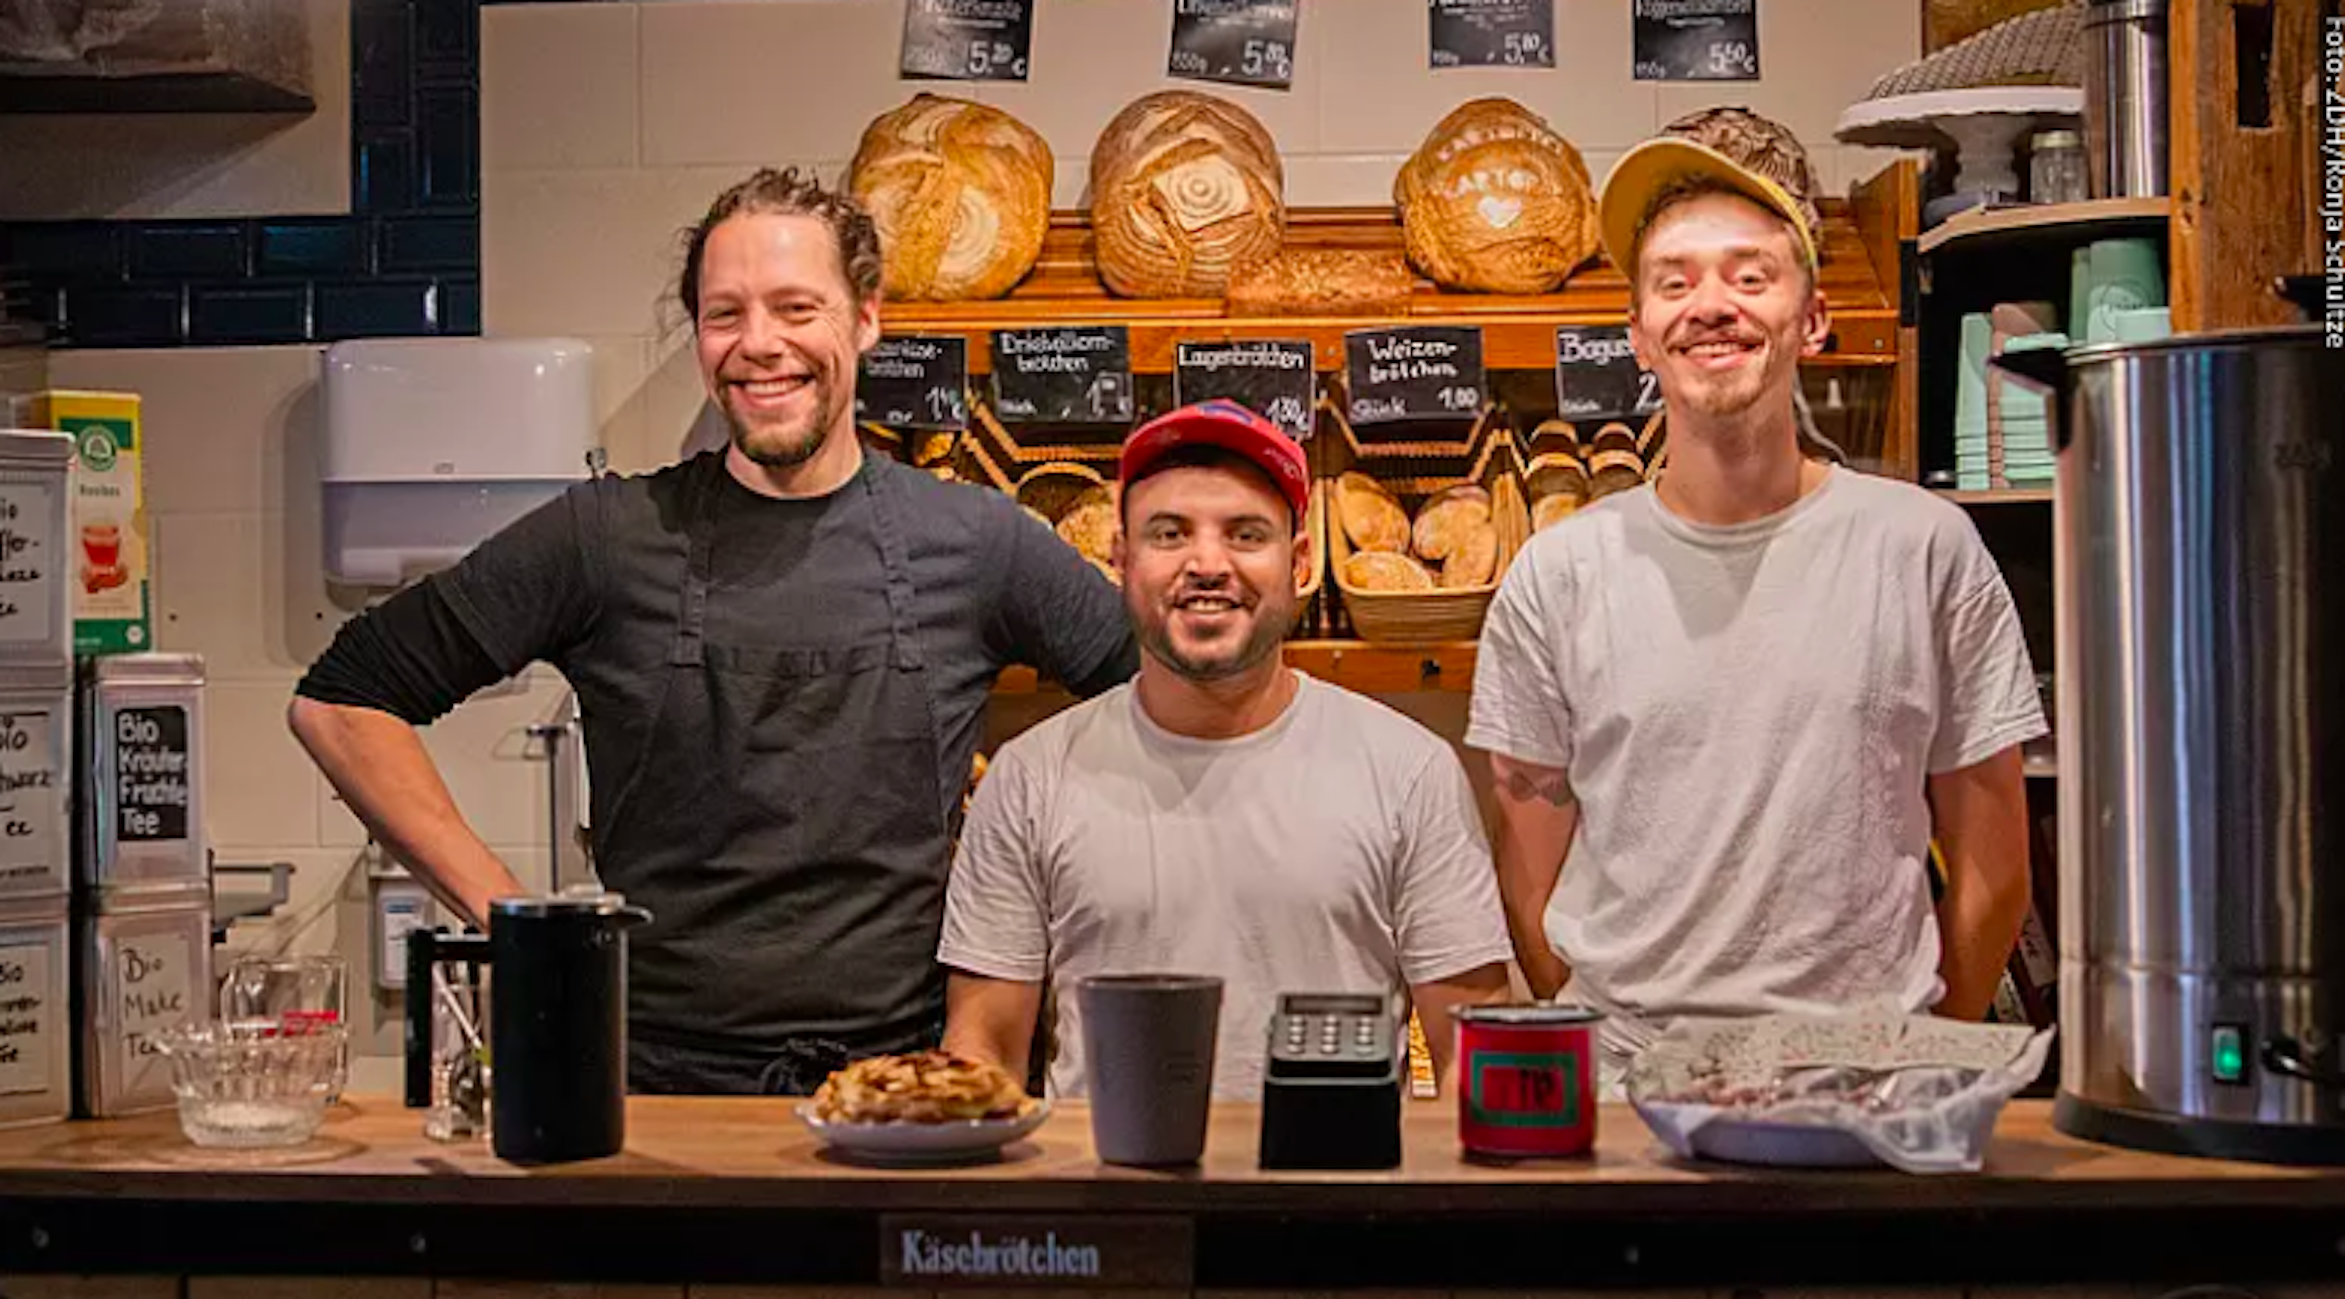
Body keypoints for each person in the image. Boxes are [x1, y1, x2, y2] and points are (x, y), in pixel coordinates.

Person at [289, 168, 1138, 1095]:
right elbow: (341, 700)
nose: (759, 344)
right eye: (724, 314)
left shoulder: (973, 541)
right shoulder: (606, 537)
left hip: (899, 1094)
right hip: (653, 1094)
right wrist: (520, 920)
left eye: (795, 308)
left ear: (865, 318)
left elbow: (1160, 697)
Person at [1466, 137, 2046, 1092]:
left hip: (1869, 1098)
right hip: (1633, 1100)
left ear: (1810, 318)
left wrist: (1911, 1052)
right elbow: (1528, 863)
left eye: (1750, 275)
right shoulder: (1558, 574)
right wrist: (1623, 1044)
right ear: (1640, 332)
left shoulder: (1922, 549)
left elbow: (1993, 862)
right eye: (1673, 283)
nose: (1710, 305)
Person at [939, 400, 1514, 1099]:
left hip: (1341, 1195)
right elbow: (982, 1059)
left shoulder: (1408, 771)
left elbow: (1474, 1063)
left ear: (1298, 563)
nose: (1206, 563)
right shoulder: (1030, 779)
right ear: (1120, 560)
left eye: (1245, 535)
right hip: (1110, 1196)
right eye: (1169, 533)